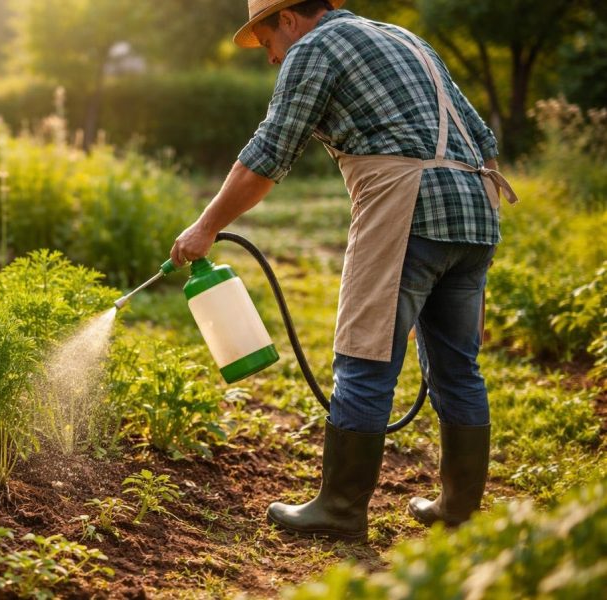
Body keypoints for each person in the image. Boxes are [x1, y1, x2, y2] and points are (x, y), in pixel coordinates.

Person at [170, 0, 518, 542]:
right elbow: (484, 142)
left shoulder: (314, 46)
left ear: (287, 19)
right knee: (458, 364)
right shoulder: (404, 39)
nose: (271, 57)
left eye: (266, 43)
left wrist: (205, 226)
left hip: (407, 206)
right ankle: (459, 506)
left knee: (364, 354)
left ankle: (338, 509)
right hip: (476, 208)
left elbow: (269, 153)